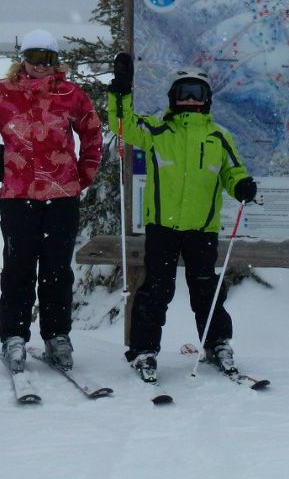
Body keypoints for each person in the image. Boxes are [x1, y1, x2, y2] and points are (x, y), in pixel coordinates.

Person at [0, 29, 102, 373]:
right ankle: (14, 337)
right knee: (18, 270)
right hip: (18, 196)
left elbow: (92, 133)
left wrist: (83, 175)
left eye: (47, 59)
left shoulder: (71, 95)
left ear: (56, 61)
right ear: (22, 59)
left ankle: (57, 336)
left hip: (61, 198)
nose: (40, 65)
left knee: (56, 271)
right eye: (34, 57)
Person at [107, 52, 257, 383]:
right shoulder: (157, 130)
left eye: (197, 92)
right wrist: (120, 90)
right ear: (173, 97)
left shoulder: (218, 136)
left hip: (201, 228)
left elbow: (232, 171)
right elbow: (123, 124)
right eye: (183, 92)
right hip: (163, 226)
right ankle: (144, 349)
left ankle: (217, 343)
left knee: (206, 289)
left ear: (207, 98)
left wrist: (241, 185)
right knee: (156, 289)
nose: (190, 99)